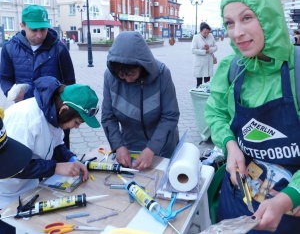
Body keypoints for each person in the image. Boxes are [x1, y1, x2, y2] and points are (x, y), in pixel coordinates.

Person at [204, 0, 300, 233]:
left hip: (288, 212)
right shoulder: (231, 68)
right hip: (236, 202)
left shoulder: (297, 72)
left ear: (269, 17)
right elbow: (216, 113)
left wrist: (291, 195)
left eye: (247, 18)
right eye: (229, 23)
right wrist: (230, 144)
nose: (237, 32)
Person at [0, 76, 100, 209]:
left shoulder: (54, 116)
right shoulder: (26, 120)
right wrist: (55, 168)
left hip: (27, 186)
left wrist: (71, 159)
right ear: (64, 110)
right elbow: (11, 165)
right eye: (77, 122)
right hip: (5, 191)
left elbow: (57, 145)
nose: (77, 127)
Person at [101, 31, 180, 170]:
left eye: (132, 73)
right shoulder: (110, 77)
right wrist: (118, 146)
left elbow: (170, 116)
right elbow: (108, 117)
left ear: (142, 66)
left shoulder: (162, 74)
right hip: (131, 146)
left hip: (163, 145)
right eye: (122, 75)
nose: (127, 79)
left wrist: (152, 148)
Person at [0, 5, 76, 148]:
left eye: (43, 29)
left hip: (55, 113)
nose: (40, 35)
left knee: (59, 153)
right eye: (34, 30)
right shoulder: (9, 48)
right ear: (22, 25)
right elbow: (4, 77)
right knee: (31, 154)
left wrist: (67, 109)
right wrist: (11, 92)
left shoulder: (59, 48)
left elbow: (70, 83)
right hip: (26, 114)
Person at [191, 22, 218, 88]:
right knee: (199, 83)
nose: (206, 34)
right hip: (200, 63)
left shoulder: (211, 36)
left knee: (207, 82)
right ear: (200, 31)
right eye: (205, 33)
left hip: (208, 62)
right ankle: (197, 96)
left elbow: (216, 47)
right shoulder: (196, 37)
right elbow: (193, 50)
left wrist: (209, 49)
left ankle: (206, 97)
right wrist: (204, 51)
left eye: (208, 32)